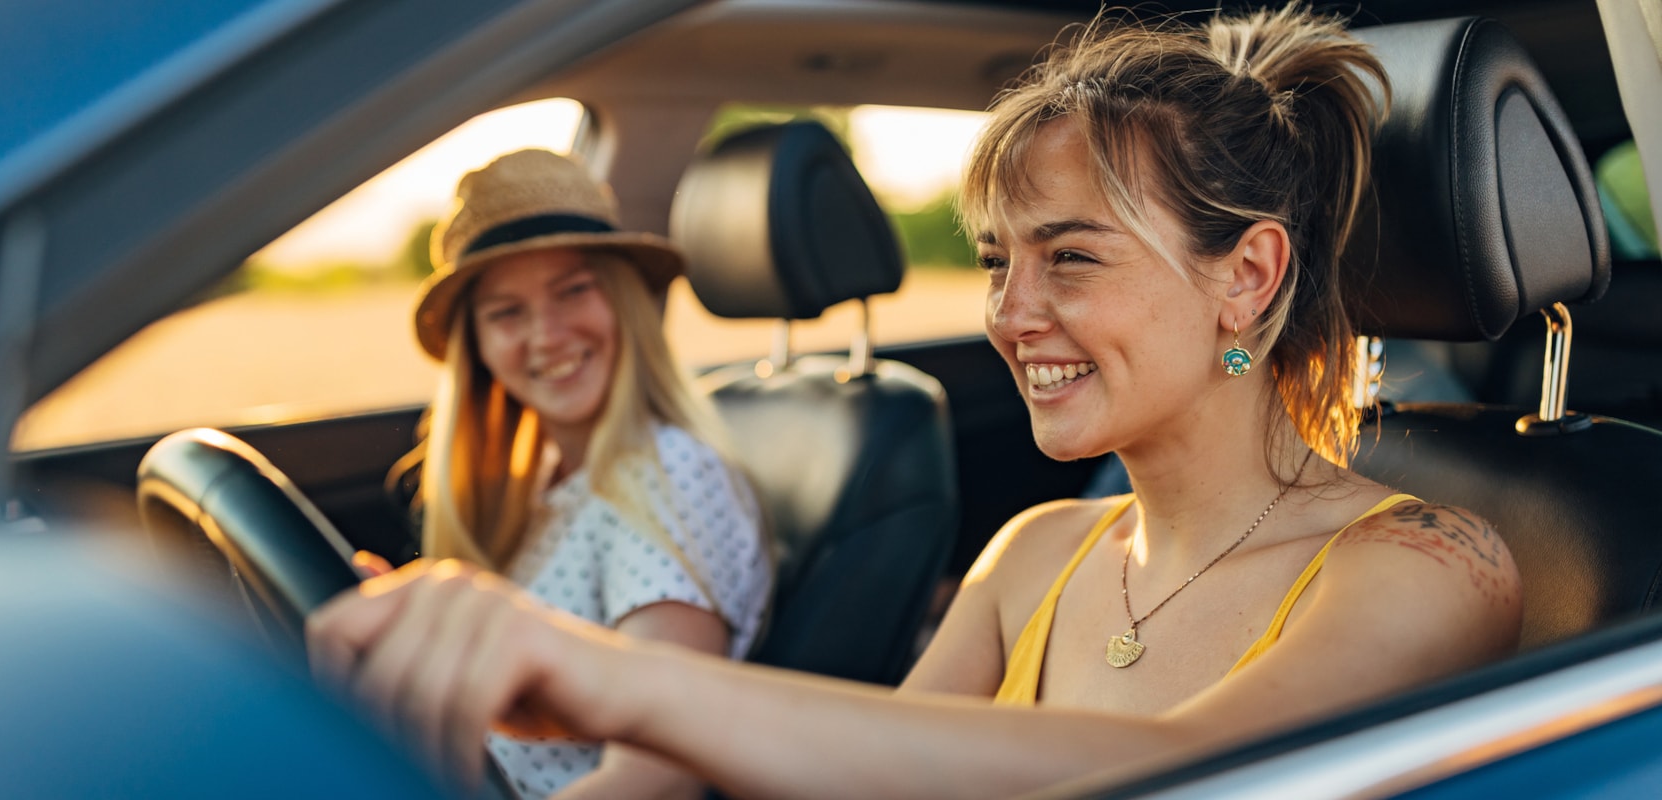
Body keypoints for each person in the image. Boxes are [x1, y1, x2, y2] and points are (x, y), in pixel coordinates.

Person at [308, 7, 1522, 799]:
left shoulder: (1427, 564)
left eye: (1072, 257)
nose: (1009, 312)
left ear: (1246, 277)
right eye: (998, 260)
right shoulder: (1032, 552)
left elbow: (1186, 774)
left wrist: (615, 679)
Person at [361, 148, 771, 799]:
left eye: (572, 290)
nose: (546, 335)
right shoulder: (543, 483)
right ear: (479, 347)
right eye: (506, 312)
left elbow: (656, 779)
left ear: (624, 303)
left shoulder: (666, 476)